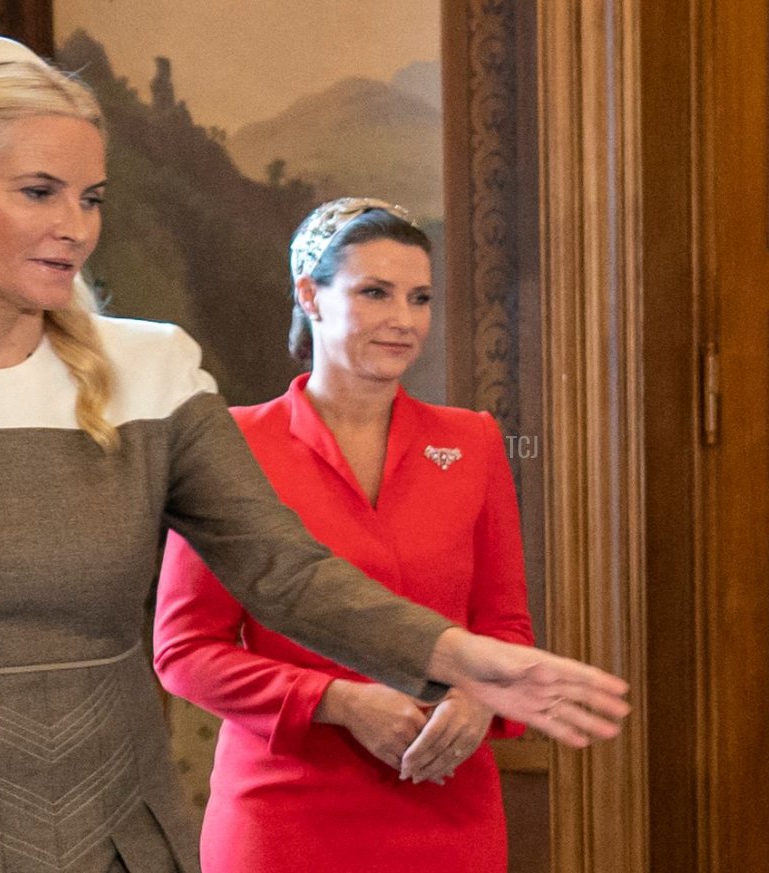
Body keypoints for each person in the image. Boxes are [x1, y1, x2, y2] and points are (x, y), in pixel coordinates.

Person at [0, 37, 627, 873]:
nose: (78, 225)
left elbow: (283, 569)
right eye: (39, 192)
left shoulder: (154, 367)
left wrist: (458, 655)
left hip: (115, 825)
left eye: (91, 197)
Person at [153, 199, 535, 872]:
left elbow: (504, 625)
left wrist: (479, 697)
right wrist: (338, 702)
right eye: (374, 292)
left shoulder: (471, 440)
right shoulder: (233, 443)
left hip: (445, 801)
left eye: (419, 298)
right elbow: (185, 650)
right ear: (311, 296)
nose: (403, 320)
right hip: (286, 813)